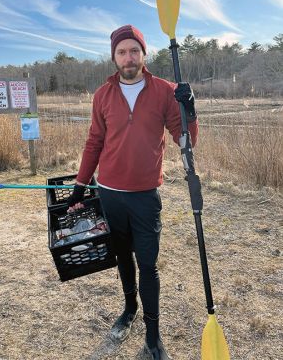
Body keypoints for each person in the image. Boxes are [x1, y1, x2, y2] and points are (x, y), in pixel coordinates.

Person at [67, 25, 199, 360]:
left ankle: (153, 338)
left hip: (144, 196)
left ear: (144, 54)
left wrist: (190, 112)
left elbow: (186, 142)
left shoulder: (165, 91)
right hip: (109, 193)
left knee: (148, 264)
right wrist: (80, 186)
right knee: (122, 256)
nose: (129, 57)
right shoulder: (102, 95)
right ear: (114, 57)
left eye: (134, 51)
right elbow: (95, 142)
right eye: (122, 51)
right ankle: (129, 310)